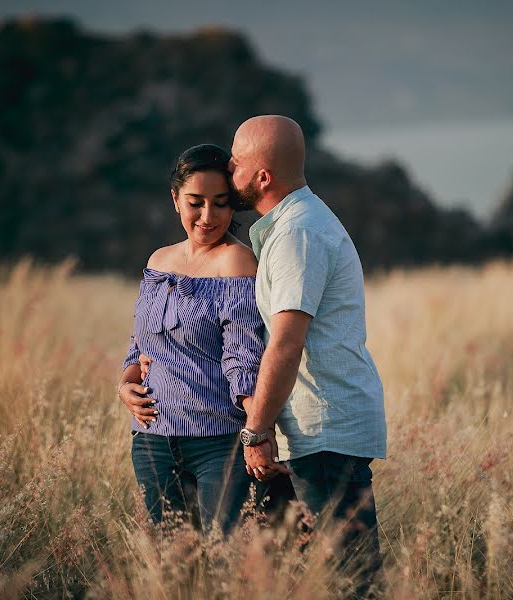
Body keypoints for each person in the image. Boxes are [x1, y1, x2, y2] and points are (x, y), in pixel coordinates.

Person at [230, 115, 387, 593]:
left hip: (325, 432)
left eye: (237, 160)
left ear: (262, 177)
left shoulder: (297, 234)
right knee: (327, 571)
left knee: (349, 578)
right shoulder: (293, 227)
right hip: (319, 430)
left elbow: (287, 341)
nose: (228, 165)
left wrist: (255, 429)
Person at [117, 143, 277, 534]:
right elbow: (141, 342)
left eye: (221, 203)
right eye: (196, 202)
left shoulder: (236, 261)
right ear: (175, 200)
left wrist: (259, 430)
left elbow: (243, 355)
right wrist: (125, 383)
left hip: (217, 442)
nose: (208, 217)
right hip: (152, 441)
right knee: (174, 565)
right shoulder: (158, 261)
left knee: (226, 563)